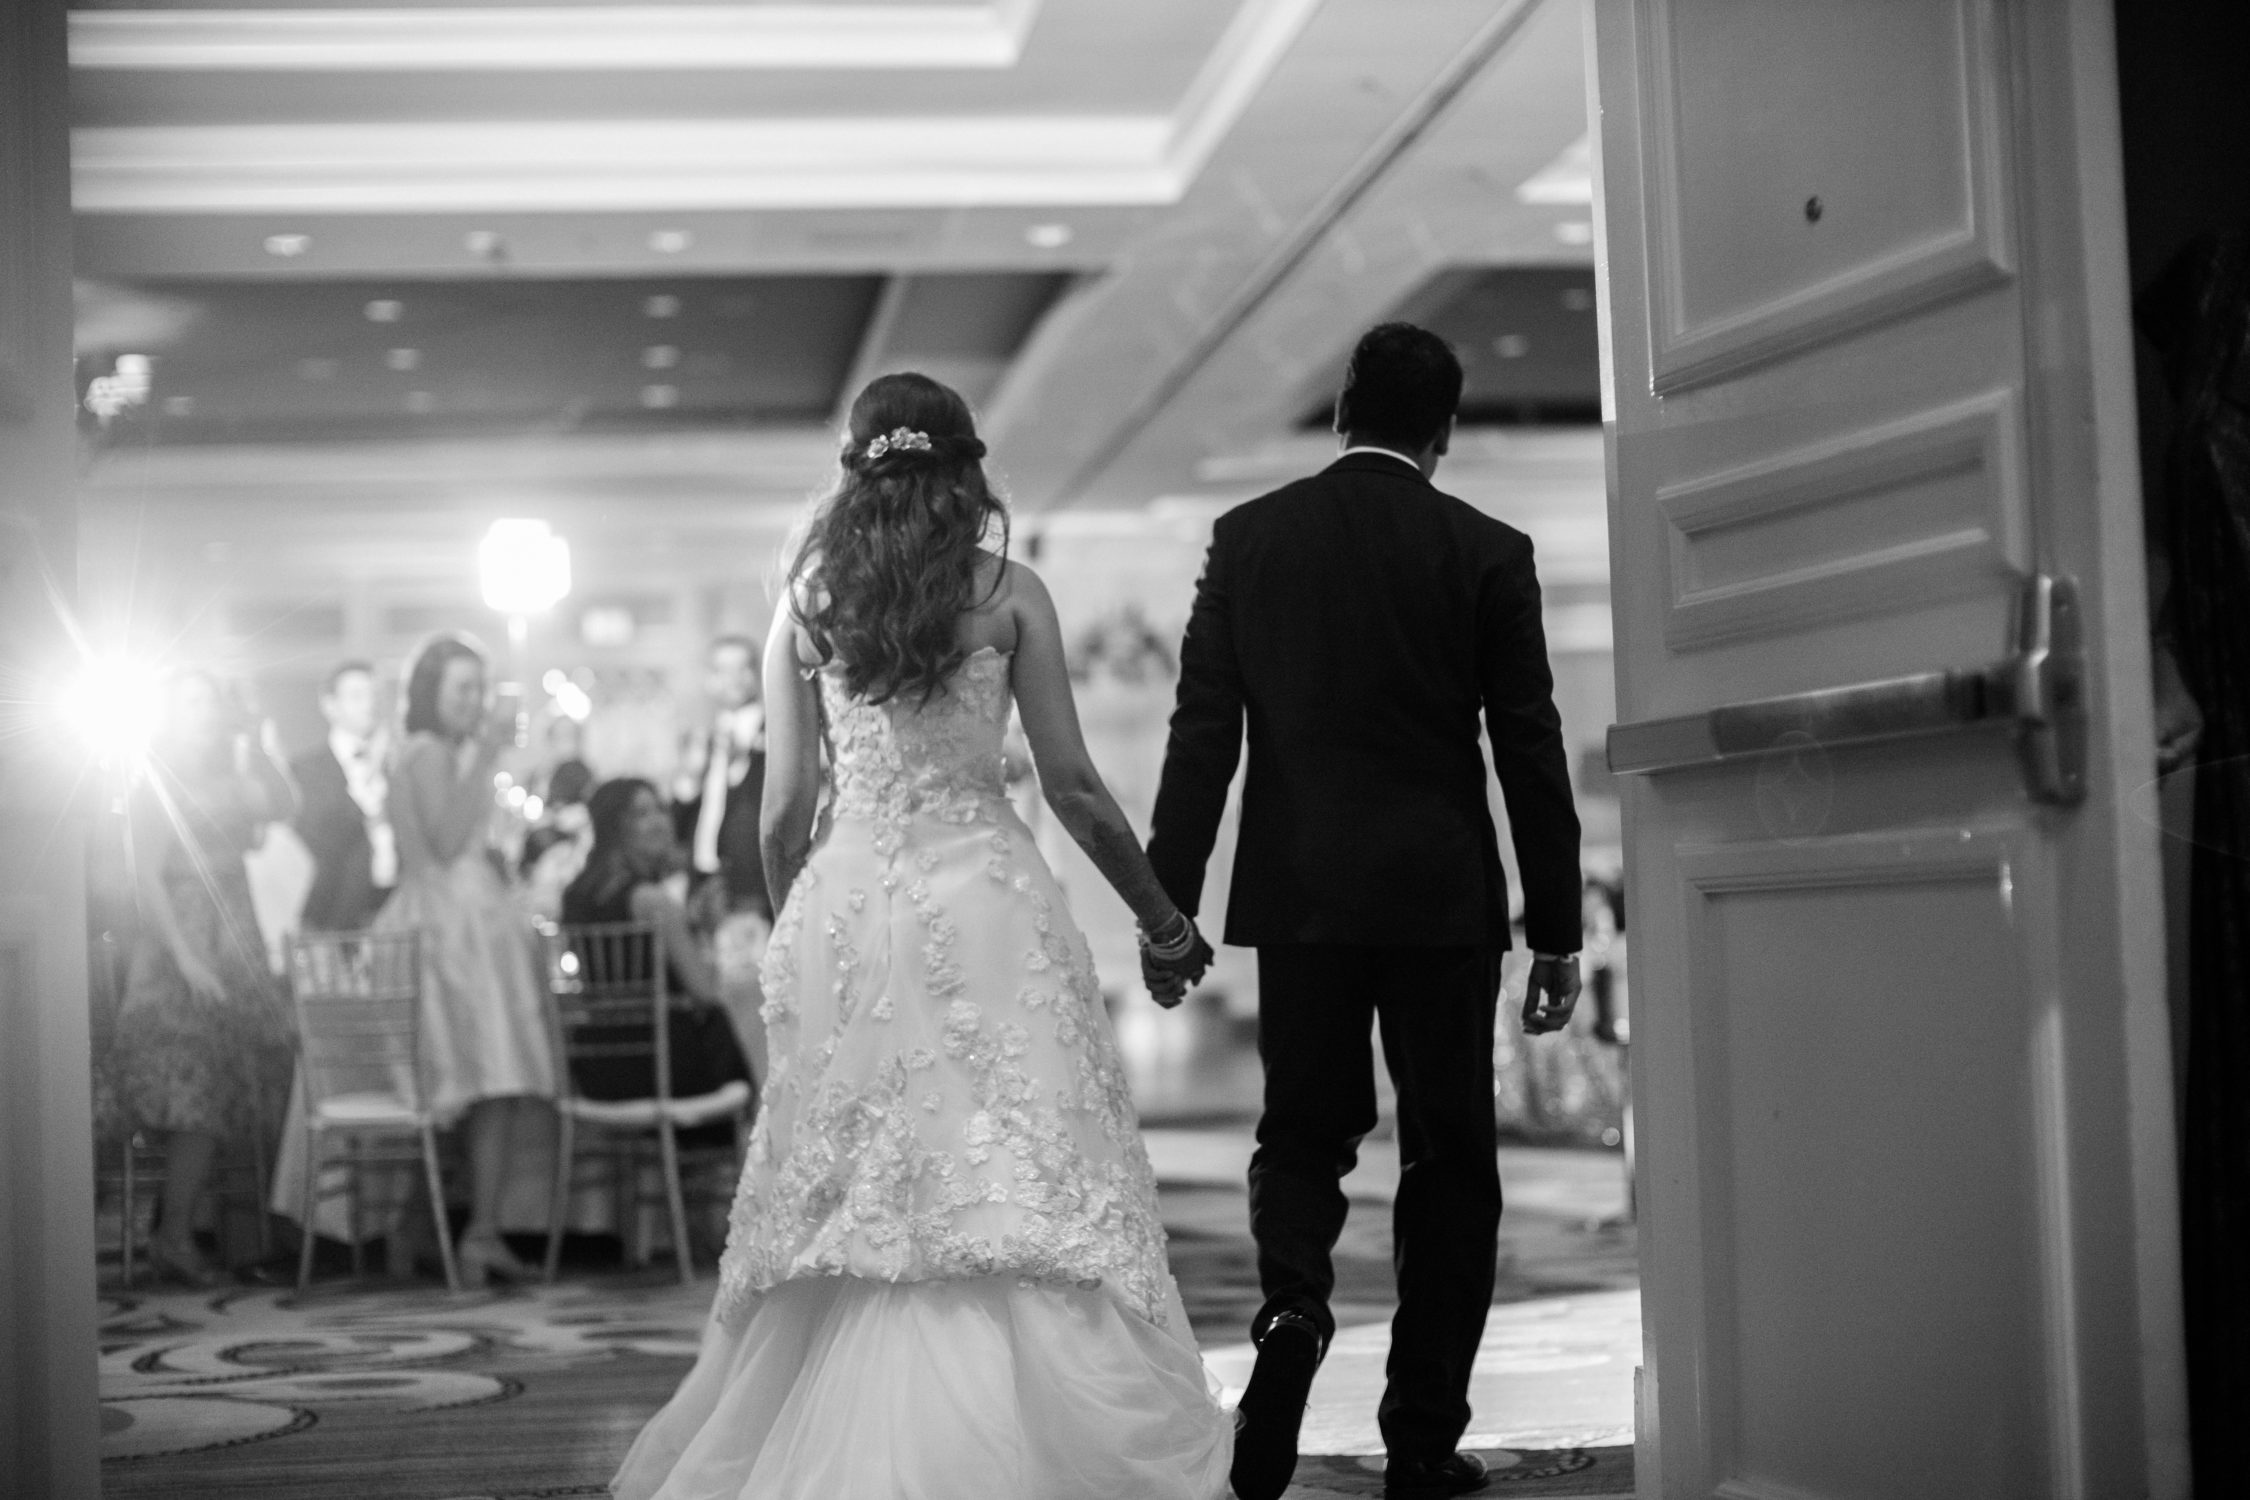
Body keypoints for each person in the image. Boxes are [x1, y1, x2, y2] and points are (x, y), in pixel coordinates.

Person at [610, 373, 1231, 1500]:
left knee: (852, 1177)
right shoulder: (1010, 592)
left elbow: (783, 812)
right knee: (1022, 1162)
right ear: (965, 469)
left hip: (851, 907)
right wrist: (1162, 918)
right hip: (990, 905)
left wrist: (801, 918)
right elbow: (1078, 789)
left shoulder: (806, 604)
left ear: (855, 476)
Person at [1145, 322, 1586, 1500]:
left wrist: (1167, 907)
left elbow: (1203, 740)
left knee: (1302, 1132)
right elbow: (1529, 749)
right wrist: (1559, 926)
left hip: (1301, 896)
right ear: (1442, 433)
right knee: (1450, 1161)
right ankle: (1423, 1437)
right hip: (1442, 901)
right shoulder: (1488, 549)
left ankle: (1292, 1309)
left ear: (1342, 410)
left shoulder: (1252, 540)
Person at [378, 633, 558, 1285]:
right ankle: (475, 1231)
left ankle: (419, 1232)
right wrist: (485, 755)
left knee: (476, 1084)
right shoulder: (427, 751)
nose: (474, 701)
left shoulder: (441, 752)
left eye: (479, 688)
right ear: (431, 693)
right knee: (487, 1078)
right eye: (462, 688)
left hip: (463, 919)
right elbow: (446, 840)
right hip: (449, 930)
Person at [116, 670, 297, 1285]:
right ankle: (174, 1235)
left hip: (235, 929)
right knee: (195, 1089)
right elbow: (146, 877)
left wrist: (256, 735)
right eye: (191, 701)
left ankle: (240, 1237)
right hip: (181, 937)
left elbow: (283, 805)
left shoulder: (232, 775)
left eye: (211, 702)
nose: (205, 713)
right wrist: (186, 957)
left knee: (245, 1080)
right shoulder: (154, 784)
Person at [559, 776, 753, 1150]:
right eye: (643, 813)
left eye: (659, 810)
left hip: (599, 1066)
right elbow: (706, 991)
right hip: (660, 1065)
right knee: (723, 1027)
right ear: (617, 827)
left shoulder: (576, 894)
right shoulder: (650, 901)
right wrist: (708, 933)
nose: (662, 822)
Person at [291, 660, 396, 933]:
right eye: (357, 696)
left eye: (375, 695)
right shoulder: (306, 769)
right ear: (330, 705)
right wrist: (367, 783)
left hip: (394, 907)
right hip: (336, 912)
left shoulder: (397, 764)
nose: (369, 704)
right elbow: (320, 836)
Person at [671, 635, 769, 922]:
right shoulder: (702, 736)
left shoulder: (775, 730)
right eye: (722, 670)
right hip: (702, 876)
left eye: (743, 668)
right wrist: (690, 775)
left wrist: (744, 759)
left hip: (752, 879)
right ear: (709, 679)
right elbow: (678, 819)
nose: (733, 679)